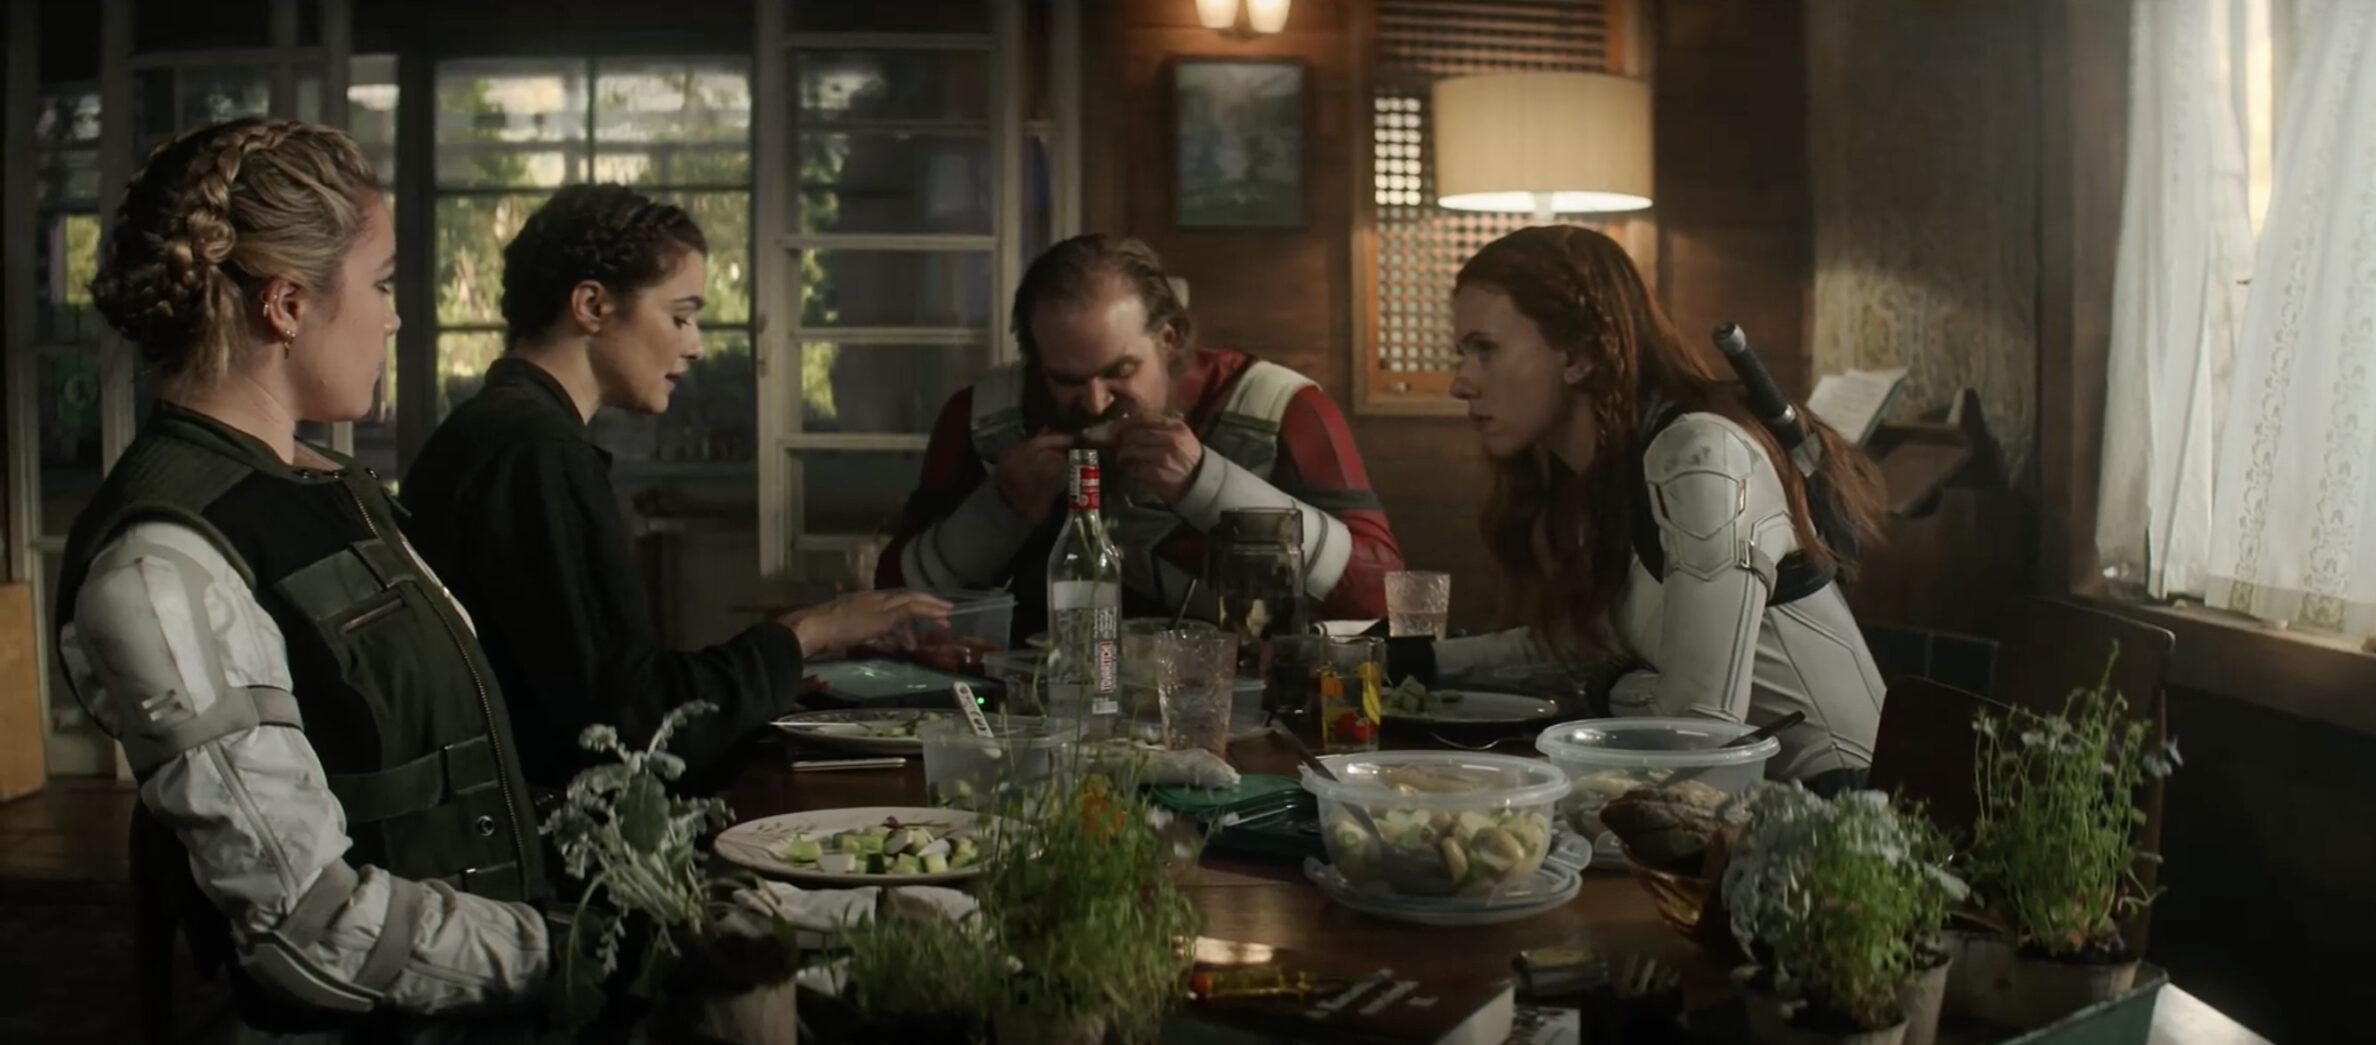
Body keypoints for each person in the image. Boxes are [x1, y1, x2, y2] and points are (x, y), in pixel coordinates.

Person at [59, 118, 551, 1036]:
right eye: (381, 283)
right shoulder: (160, 565)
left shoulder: (330, 484)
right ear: (285, 304)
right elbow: (307, 928)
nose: (394, 316)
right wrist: (565, 950)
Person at [401, 184, 948, 794]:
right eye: (680, 316)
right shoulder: (536, 451)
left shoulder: (503, 429)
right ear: (592, 305)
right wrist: (811, 632)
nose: (696, 345)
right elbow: (631, 720)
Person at [1415, 225, 1890, 786]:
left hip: (1841, 810)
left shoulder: (1701, 458)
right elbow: (1580, 644)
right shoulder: (1608, 471)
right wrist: (1406, 662)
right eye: (1463, 353)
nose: (1460, 383)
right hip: (1733, 802)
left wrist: (1607, 690)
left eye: (1485, 349)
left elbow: (1701, 730)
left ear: (1578, 355)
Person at [877, 234, 1406, 638]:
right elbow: (890, 603)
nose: (1095, 402)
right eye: (1066, 379)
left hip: (1239, 704)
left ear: (1168, 338)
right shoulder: (985, 416)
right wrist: (998, 512)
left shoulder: (1277, 408)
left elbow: (1384, 597)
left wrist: (1207, 484)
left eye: (1120, 371)